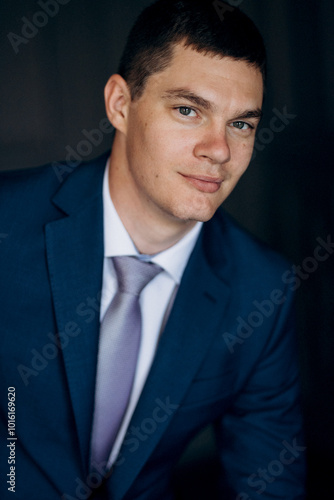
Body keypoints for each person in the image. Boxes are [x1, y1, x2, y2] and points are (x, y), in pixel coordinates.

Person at [0, 0, 306, 498]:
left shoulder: (260, 289)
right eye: (188, 110)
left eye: (242, 124)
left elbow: (268, 479)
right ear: (120, 104)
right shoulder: (7, 221)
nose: (219, 149)